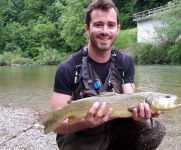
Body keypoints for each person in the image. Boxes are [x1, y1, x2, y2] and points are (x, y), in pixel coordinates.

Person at [51, 0, 166, 149]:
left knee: (154, 129)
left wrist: (140, 115)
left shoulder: (125, 62)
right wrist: (85, 122)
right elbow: (56, 125)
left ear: (118, 29)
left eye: (111, 25)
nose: (105, 31)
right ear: (87, 28)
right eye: (98, 24)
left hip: (115, 130)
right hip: (81, 134)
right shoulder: (68, 68)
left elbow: (130, 100)